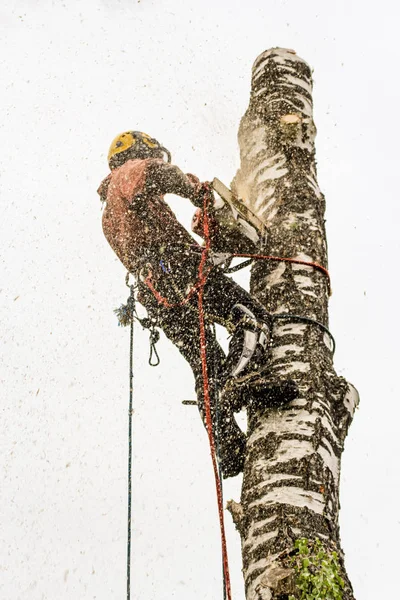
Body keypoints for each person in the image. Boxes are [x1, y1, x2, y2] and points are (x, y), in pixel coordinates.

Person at [98, 130, 297, 477]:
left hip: (158, 295)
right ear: (138, 151)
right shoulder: (126, 174)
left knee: (205, 363)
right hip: (179, 269)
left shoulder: (111, 211)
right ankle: (243, 380)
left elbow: (151, 236)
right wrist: (198, 191)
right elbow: (160, 174)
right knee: (251, 318)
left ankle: (229, 445)